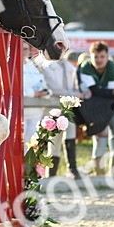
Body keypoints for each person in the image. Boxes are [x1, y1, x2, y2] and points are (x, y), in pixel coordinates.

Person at [78, 42, 114, 176]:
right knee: (99, 137)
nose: (99, 60)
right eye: (96, 57)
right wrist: (111, 91)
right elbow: (100, 92)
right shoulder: (86, 67)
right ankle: (98, 174)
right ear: (91, 56)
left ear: (107, 56)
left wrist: (103, 92)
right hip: (99, 109)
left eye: (102, 56)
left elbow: (105, 95)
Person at [41, 50, 82, 179]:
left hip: (66, 107)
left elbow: (76, 86)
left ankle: (72, 167)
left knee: (70, 130)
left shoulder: (69, 67)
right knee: (54, 140)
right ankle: (52, 172)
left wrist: (75, 93)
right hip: (51, 107)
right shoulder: (46, 66)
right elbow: (53, 89)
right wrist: (74, 95)